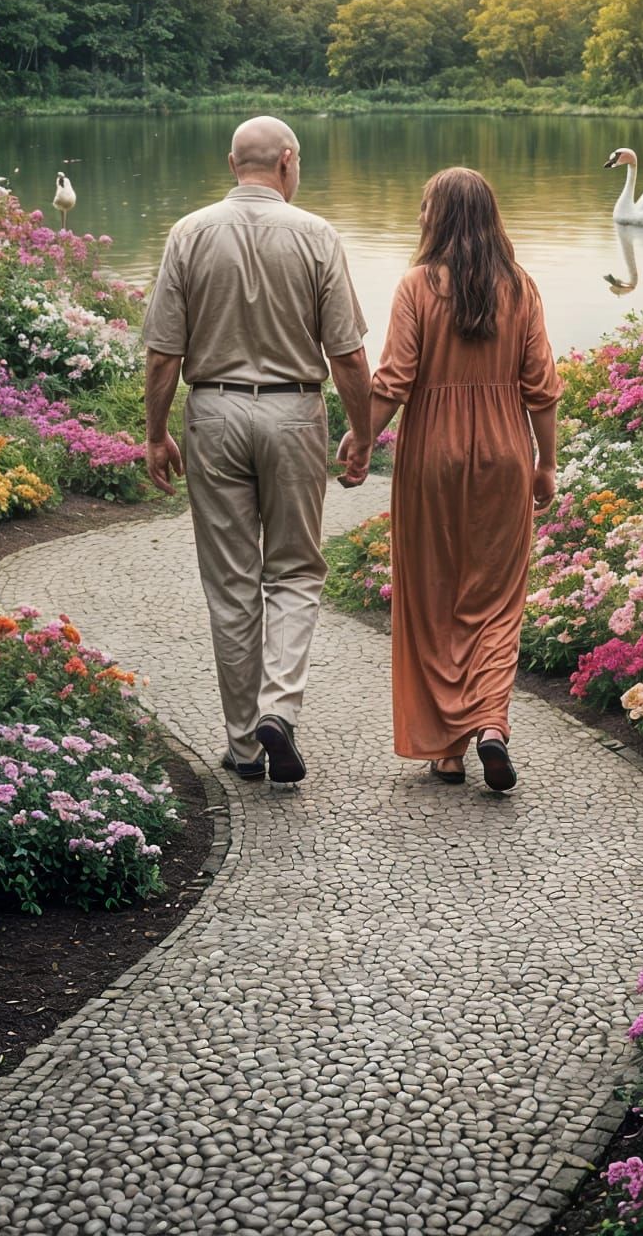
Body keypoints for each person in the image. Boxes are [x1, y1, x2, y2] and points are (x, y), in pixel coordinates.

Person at [141, 116, 373, 786]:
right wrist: (361, 431)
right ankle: (279, 707)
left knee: (232, 583)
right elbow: (349, 355)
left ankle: (245, 745)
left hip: (211, 411)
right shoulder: (317, 235)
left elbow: (164, 353)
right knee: (296, 572)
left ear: (232, 162)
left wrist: (157, 433)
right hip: (294, 411)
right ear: (288, 163)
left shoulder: (189, 232)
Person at [340, 167, 560, 792]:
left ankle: (448, 750)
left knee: (434, 596)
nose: (416, 217)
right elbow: (540, 389)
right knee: (494, 601)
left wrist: (360, 440)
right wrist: (546, 463)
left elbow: (394, 381)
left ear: (438, 217)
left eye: (422, 206)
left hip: (431, 455)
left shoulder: (416, 286)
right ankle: (490, 721)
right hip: (505, 453)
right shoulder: (521, 288)